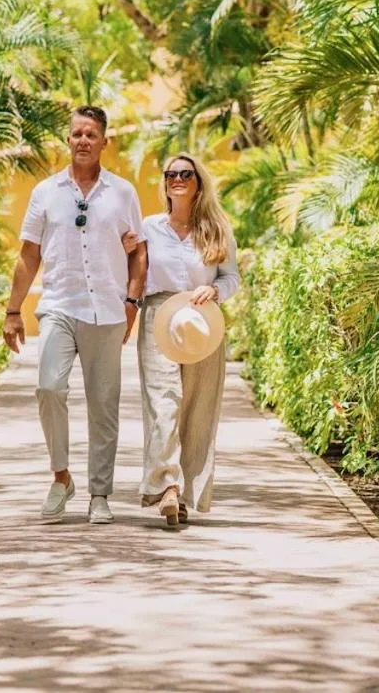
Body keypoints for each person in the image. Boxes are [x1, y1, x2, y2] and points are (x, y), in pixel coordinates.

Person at [2, 105, 147, 525]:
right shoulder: (46, 192)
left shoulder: (123, 194)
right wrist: (13, 310)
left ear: (105, 142)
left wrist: (132, 302)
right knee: (49, 388)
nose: (83, 140)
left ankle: (99, 493)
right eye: (77, 134)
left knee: (104, 406)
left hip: (107, 310)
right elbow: (28, 255)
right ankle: (61, 477)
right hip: (59, 307)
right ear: (68, 140)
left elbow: (139, 253)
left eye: (91, 134)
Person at [127, 153, 239, 527]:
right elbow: (133, 272)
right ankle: (166, 488)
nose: (177, 179)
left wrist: (214, 290)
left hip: (202, 321)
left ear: (197, 182)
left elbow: (231, 278)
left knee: (197, 409)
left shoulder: (217, 228)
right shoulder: (149, 227)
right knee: (164, 403)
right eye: (171, 174)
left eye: (185, 174)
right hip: (159, 317)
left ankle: (187, 493)